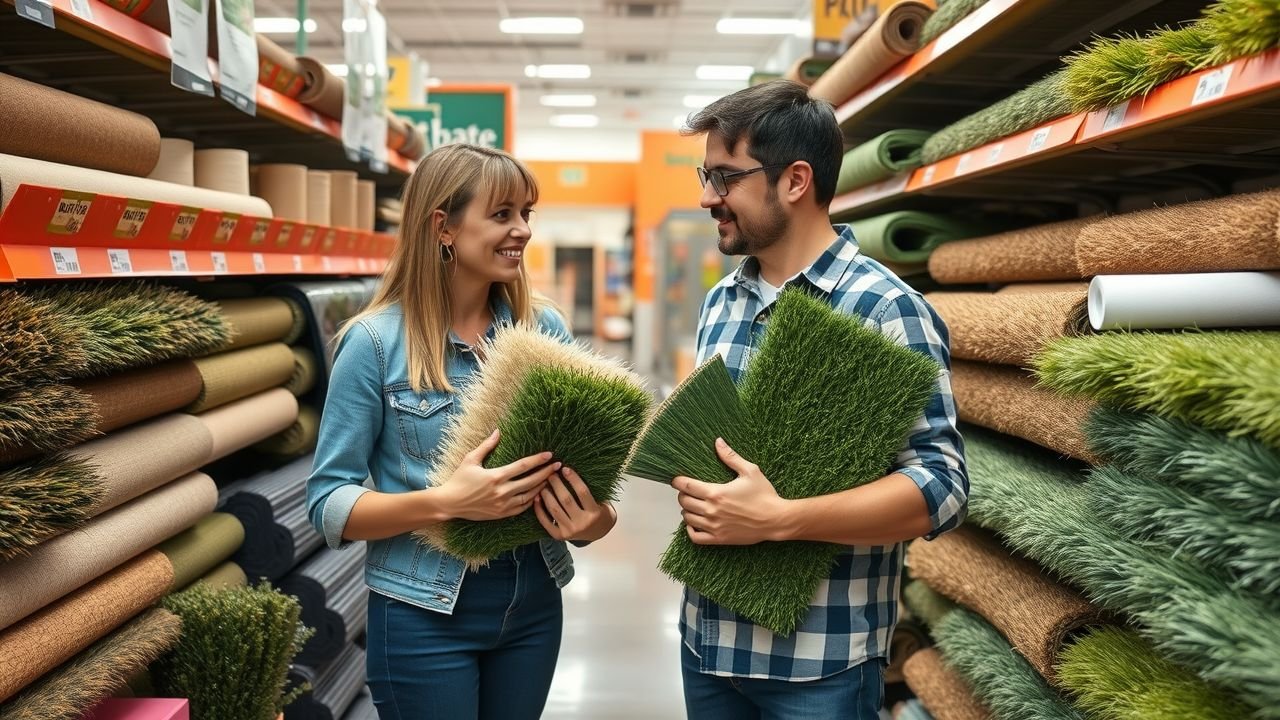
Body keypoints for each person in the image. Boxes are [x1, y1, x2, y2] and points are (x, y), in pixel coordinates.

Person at [672, 80, 969, 719]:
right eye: (706, 175)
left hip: (818, 665)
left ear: (795, 181)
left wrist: (780, 518)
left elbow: (941, 487)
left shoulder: (885, 309)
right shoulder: (721, 302)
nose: (706, 197)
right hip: (705, 645)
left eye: (724, 178)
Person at [306, 143, 618, 720]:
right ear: (443, 226)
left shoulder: (540, 327)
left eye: (527, 214)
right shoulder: (373, 344)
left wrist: (594, 521)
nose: (521, 230)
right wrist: (447, 503)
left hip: (533, 604)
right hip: (423, 614)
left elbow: (583, 473)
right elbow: (329, 502)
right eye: (502, 215)